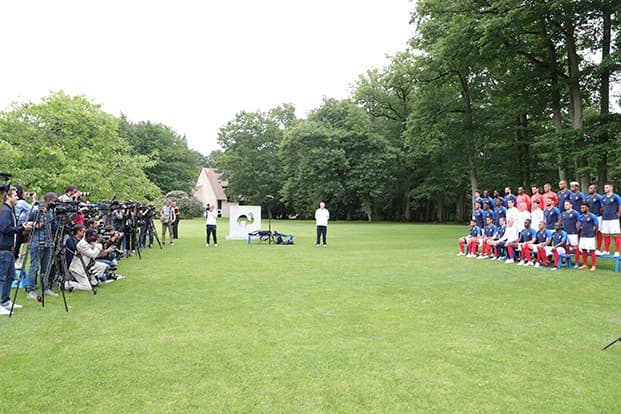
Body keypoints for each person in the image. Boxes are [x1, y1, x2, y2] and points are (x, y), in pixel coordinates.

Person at [0, 188, 33, 313]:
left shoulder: (10, 210)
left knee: (11, 275)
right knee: (2, 277)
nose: (17, 198)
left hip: (9, 248)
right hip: (3, 248)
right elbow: (5, 229)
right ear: (8, 197)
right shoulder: (5, 211)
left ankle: (5, 300)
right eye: (15, 195)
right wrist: (22, 228)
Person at [25, 192, 59, 300]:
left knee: (46, 267)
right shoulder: (36, 210)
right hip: (36, 242)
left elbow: (53, 226)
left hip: (48, 242)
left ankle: (46, 288)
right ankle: (31, 290)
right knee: (34, 267)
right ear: (48, 200)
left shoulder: (51, 212)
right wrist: (37, 225)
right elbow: (26, 224)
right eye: (54, 200)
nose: (56, 203)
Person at [600, 183, 621, 257]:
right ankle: (606, 250)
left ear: (611, 188)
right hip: (605, 218)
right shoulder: (603, 198)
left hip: (613, 218)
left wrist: (619, 214)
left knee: (615, 234)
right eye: (604, 187)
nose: (605, 189)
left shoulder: (616, 197)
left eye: (607, 187)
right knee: (606, 234)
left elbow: (619, 206)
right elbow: (602, 207)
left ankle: (617, 251)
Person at [577, 203, 599, 271]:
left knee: (592, 250)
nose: (582, 209)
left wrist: (594, 234)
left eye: (583, 208)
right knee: (584, 249)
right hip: (583, 235)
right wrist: (578, 227)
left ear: (587, 208)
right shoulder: (580, 217)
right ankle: (585, 264)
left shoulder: (592, 216)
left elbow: (596, 226)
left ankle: (594, 266)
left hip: (590, 236)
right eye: (581, 208)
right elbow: (579, 225)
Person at [561, 200, 581, 267]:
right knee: (567, 247)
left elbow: (579, 222)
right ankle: (568, 262)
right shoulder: (563, 213)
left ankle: (577, 263)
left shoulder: (575, 213)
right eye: (565, 205)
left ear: (571, 205)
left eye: (567, 204)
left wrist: (577, 230)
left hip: (573, 233)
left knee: (575, 247)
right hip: (566, 233)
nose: (565, 206)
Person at [585, 184, 603, 254]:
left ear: (595, 189)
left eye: (591, 188)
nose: (590, 189)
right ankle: (589, 248)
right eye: (589, 188)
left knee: (598, 231)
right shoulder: (587, 198)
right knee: (589, 232)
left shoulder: (599, 197)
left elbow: (602, 207)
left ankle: (598, 249)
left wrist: (600, 214)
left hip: (597, 216)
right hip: (589, 217)